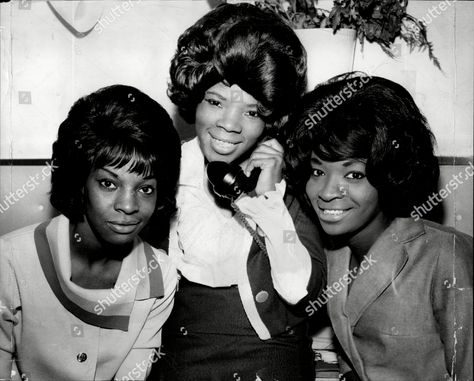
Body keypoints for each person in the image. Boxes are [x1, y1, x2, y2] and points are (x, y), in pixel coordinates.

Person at [153, 3, 326, 381]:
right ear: (193, 97)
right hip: (181, 355)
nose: (229, 126)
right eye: (215, 102)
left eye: (251, 112)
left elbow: (299, 290)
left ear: (270, 117)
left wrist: (268, 204)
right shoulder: (162, 170)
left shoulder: (288, 180)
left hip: (270, 358)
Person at [285, 72, 473, 381]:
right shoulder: (331, 254)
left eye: (354, 175)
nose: (328, 191)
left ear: (389, 173)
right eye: (317, 171)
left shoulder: (448, 255)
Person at [0, 85, 181, 381]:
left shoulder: (158, 278)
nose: (128, 205)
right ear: (79, 180)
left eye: (145, 188)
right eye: (109, 184)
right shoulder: (10, 261)